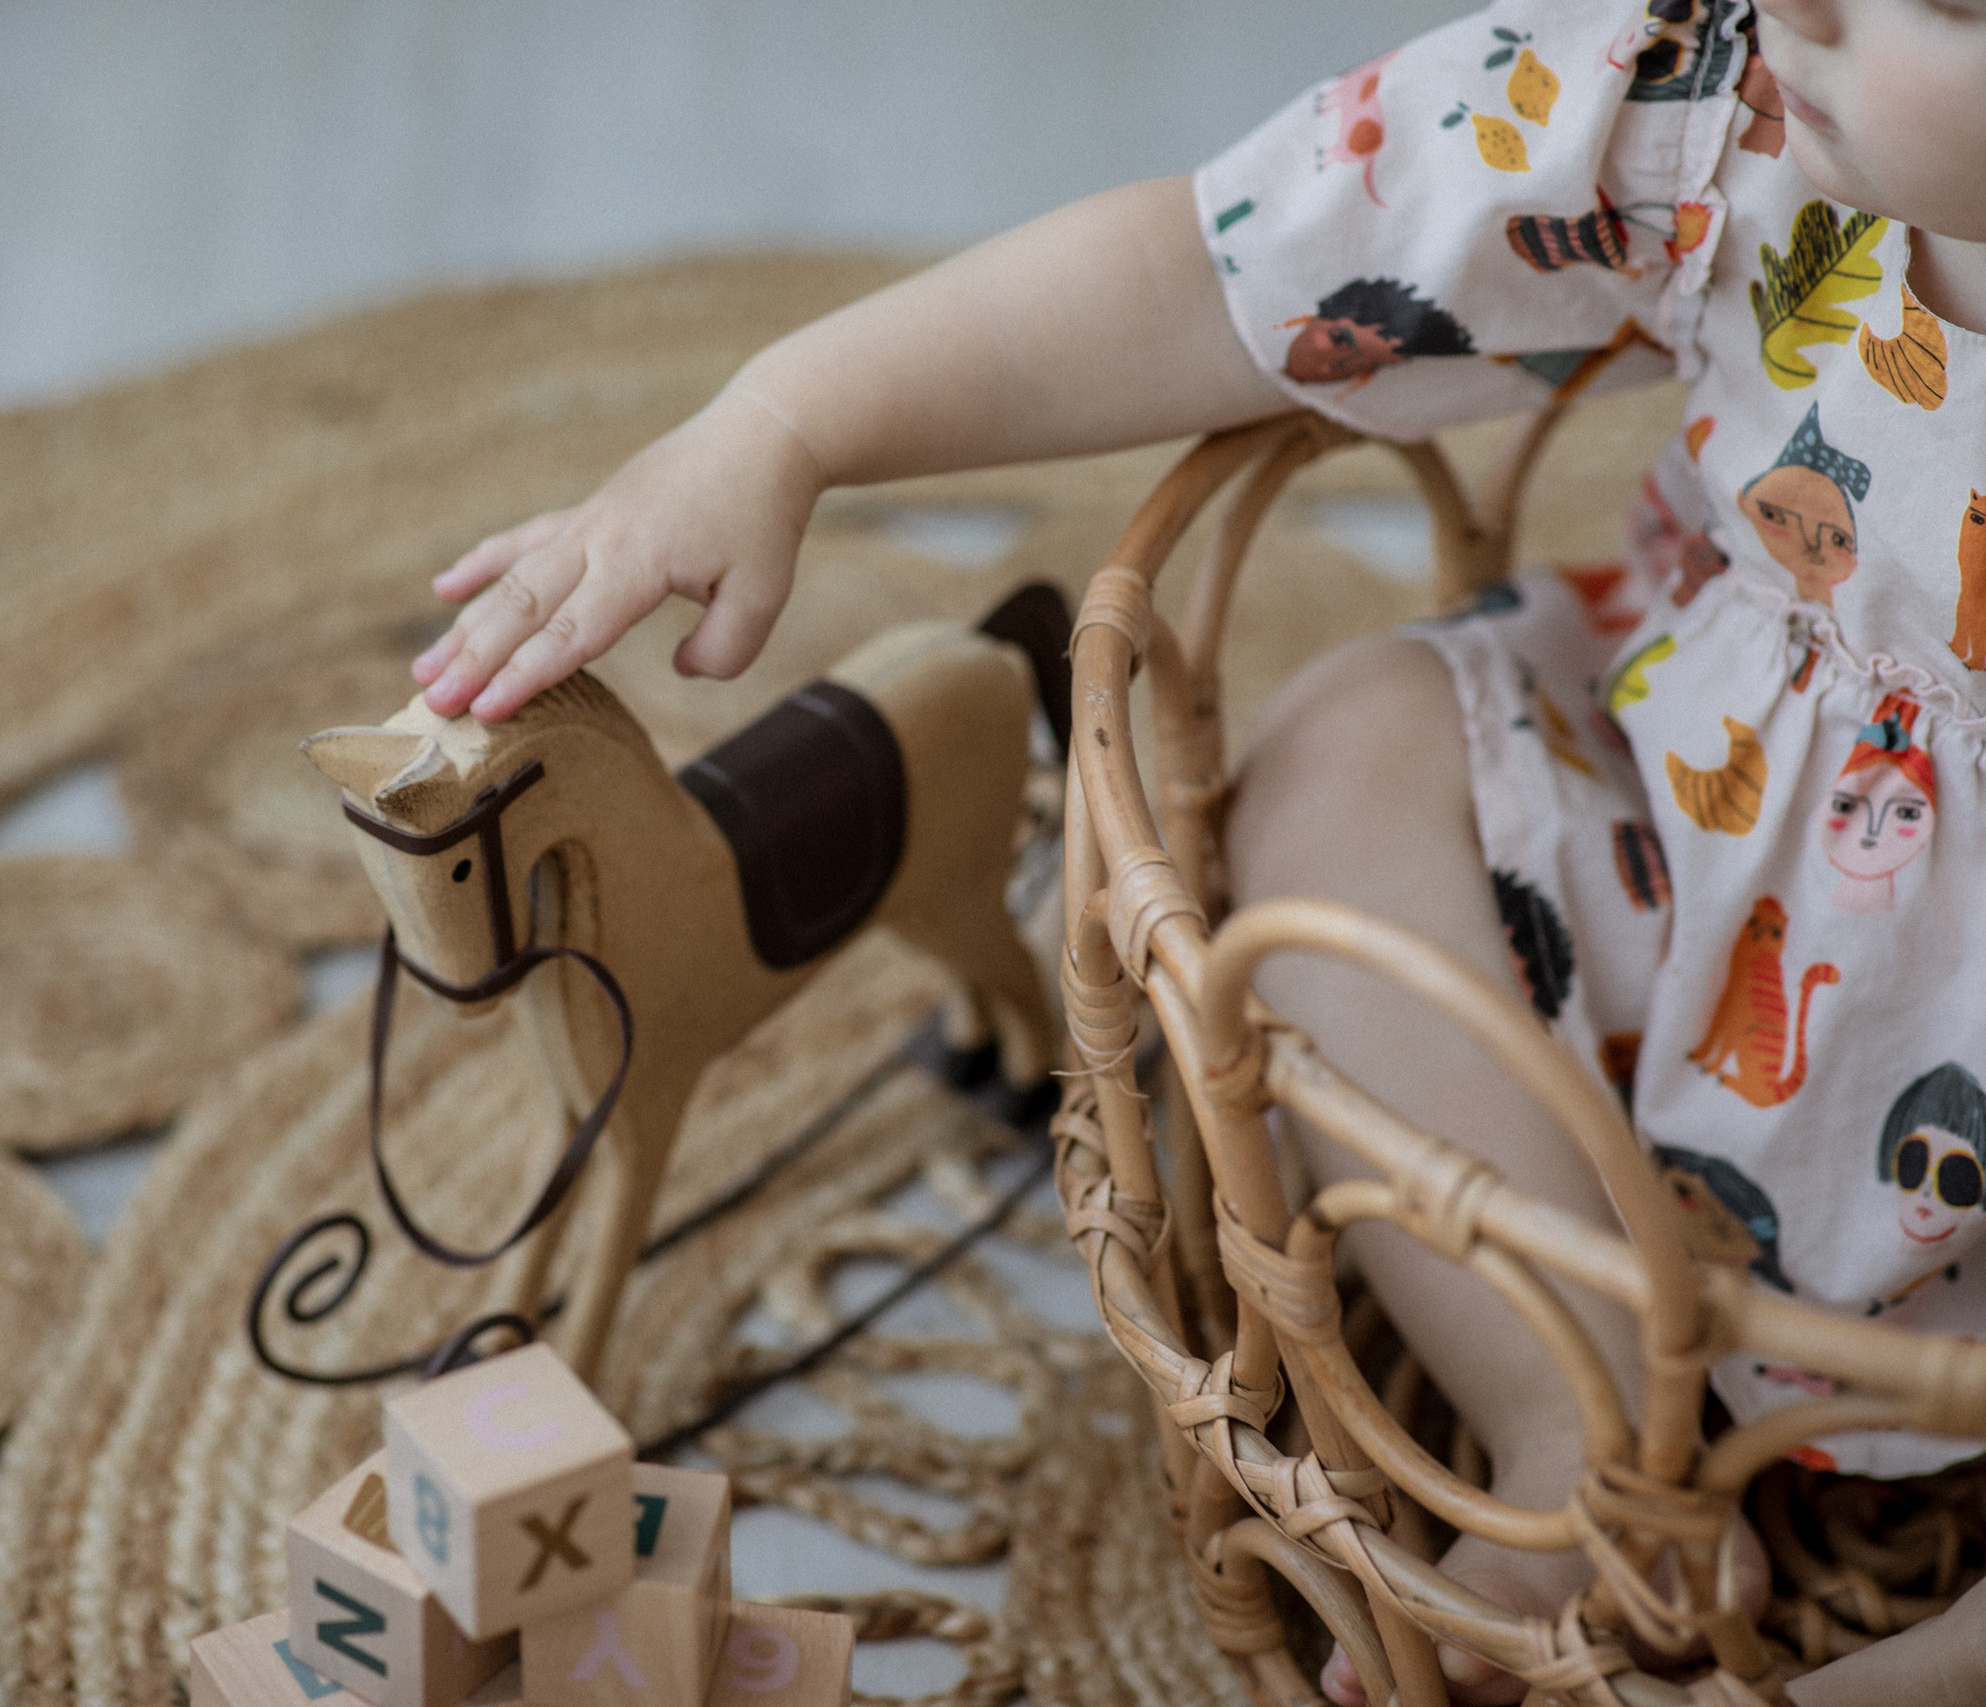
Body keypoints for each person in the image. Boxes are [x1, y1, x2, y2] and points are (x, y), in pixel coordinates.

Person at [407, 2, 1986, 1700]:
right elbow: (1225, 263)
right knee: (1342, 751)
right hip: (1685, 853)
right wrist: (785, 422)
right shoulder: (1712, 101)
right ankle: (1577, 1424)